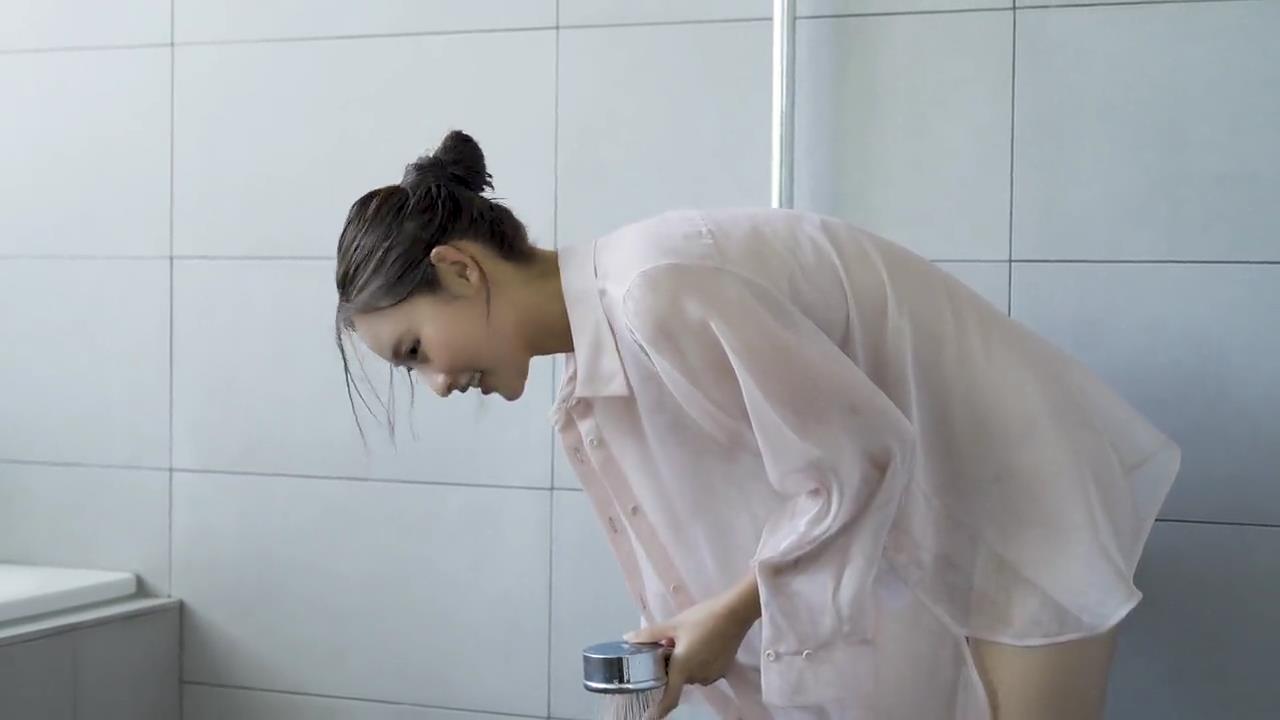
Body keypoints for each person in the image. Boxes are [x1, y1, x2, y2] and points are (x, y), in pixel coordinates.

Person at [334, 131, 1180, 720]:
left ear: (460, 268)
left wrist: (732, 616)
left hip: (1018, 503)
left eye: (415, 350)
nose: (437, 385)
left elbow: (859, 464)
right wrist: (704, 627)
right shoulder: (603, 351)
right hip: (945, 500)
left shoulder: (654, 292)